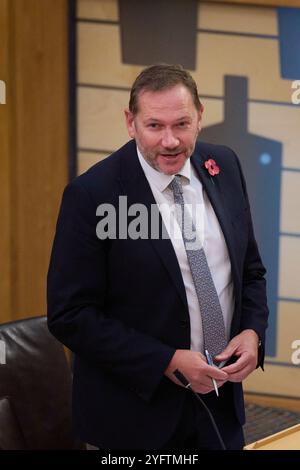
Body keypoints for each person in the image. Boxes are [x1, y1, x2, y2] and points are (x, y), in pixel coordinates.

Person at [47, 64, 268, 450]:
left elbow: (249, 271)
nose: (170, 141)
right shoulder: (92, 195)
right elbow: (70, 315)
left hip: (219, 403)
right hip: (133, 416)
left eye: (181, 124)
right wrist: (165, 360)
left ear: (200, 116)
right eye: (154, 126)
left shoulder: (225, 166)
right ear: (130, 123)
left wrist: (252, 333)